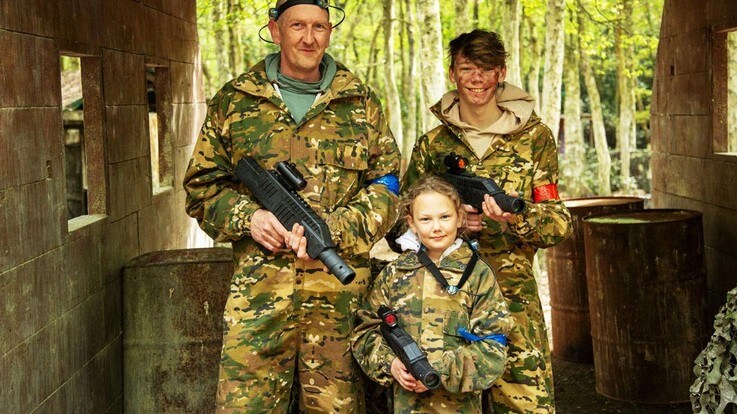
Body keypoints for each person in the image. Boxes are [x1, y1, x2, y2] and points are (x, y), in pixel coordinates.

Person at [182, 0, 401, 411]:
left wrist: (335, 229)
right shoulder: (236, 100)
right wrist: (251, 218)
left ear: (330, 32)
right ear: (276, 30)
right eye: (297, 25)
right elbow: (201, 186)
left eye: (319, 26)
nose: (309, 37)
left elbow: (387, 185)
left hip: (340, 297)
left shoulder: (360, 102)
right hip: (259, 296)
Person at [398, 29, 572, 413]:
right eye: (467, 68)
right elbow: (402, 223)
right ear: (452, 73)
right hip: (443, 299)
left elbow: (557, 222)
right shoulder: (432, 145)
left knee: (527, 404)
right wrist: (455, 226)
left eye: (486, 69)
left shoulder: (534, 139)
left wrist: (513, 220)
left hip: (512, 297)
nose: (476, 79)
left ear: (501, 73)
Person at [351, 175, 513, 413]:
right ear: (411, 223)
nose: (436, 227)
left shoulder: (477, 274)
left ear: (460, 217)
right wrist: (392, 364)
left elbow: (493, 349)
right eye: (425, 219)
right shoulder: (394, 274)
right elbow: (366, 331)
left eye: (445, 217)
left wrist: (437, 370)